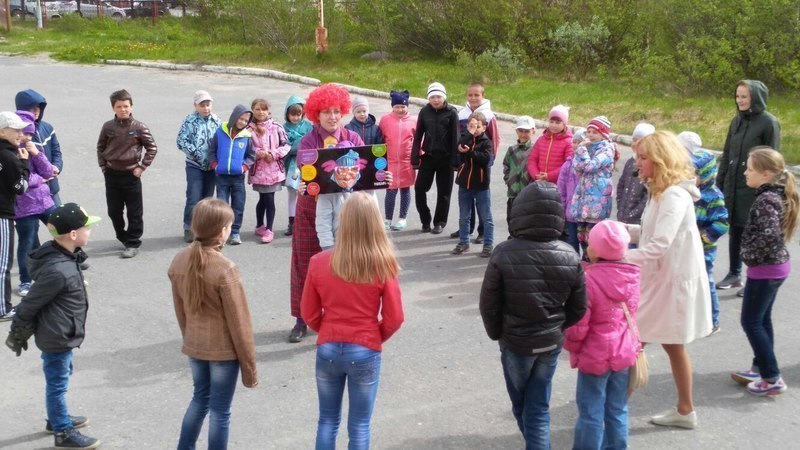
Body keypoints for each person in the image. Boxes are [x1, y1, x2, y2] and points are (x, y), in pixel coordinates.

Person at [479, 181, 587, 450]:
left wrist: (497, 333)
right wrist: (558, 327)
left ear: (520, 212)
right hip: (550, 343)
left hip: (515, 343)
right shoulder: (570, 255)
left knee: (522, 404)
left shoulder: (503, 252)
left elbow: (489, 303)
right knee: (538, 406)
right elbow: (578, 308)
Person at [301, 192, 404, 450]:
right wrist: (374, 335)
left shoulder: (319, 262)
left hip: (328, 346)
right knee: (359, 425)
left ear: (343, 221)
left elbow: (308, 312)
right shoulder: (382, 263)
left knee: (327, 420)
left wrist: (327, 329)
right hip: (365, 346)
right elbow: (394, 318)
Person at [625, 131, 712, 430]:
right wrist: (620, 231)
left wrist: (617, 257)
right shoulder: (661, 191)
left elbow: (659, 245)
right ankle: (685, 411)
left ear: (661, 160)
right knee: (670, 345)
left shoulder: (674, 195)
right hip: (663, 280)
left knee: (632, 342)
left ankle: (612, 410)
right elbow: (650, 233)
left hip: (669, 284)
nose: (638, 163)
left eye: (643, 157)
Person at [6, 202, 101, 449]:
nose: (90, 231)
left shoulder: (63, 256)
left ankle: (57, 416)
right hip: (57, 335)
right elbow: (31, 302)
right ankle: (62, 431)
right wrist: (17, 330)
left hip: (63, 330)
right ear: (73, 235)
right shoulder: (58, 269)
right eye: (87, 227)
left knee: (63, 375)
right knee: (58, 384)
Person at [168, 198, 258, 449]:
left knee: (199, 400)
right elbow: (240, 324)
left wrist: (189, 338)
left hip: (195, 345)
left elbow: (181, 311)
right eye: (229, 226)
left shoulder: (179, 260)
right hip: (222, 352)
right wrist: (250, 370)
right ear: (222, 231)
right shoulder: (226, 269)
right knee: (220, 411)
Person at [288, 83, 362, 343]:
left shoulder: (353, 138)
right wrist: (303, 183)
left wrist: (381, 178)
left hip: (346, 211)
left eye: (336, 111)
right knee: (306, 265)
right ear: (315, 114)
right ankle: (302, 319)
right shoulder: (308, 141)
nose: (332, 117)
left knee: (344, 267)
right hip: (311, 209)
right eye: (326, 112)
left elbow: (363, 173)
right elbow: (306, 173)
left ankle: (337, 319)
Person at [564, 220, 641, 450]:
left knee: (591, 412)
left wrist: (571, 346)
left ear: (596, 251)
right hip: (623, 352)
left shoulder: (588, 280)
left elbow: (578, 326)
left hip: (594, 355)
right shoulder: (633, 276)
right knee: (617, 409)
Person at [730, 147, 798, 396]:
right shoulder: (772, 195)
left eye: (750, 169)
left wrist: (747, 255)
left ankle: (772, 378)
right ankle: (760, 368)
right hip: (774, 268)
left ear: (766, 174)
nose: (745, 172)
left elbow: (769, 236)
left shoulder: (766, 199)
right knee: (761, 319)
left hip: (766, 270)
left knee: (751, 321)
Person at [716, 80, 780, 294]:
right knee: (735, 229)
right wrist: (719, 183)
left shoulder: (769, 123)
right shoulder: (736, 121)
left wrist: (768, 188)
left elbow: (773, 159)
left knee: (754, 233)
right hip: (734, 185)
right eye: (737, 96)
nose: (740, 100)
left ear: (755, 97)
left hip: (755, 187)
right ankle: (734, 274)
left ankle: (755, 277)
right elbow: (727, 154)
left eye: (744, 96)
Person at [96, 89, 159, 259]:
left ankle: (133, 243)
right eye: (119, 106)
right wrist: (103, 167)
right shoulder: (108, 127)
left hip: (132, 175)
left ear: (131, 107)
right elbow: (100, 147)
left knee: (134, 212)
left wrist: (142, 167)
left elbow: (152, 148)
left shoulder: (139, 127)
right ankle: (122, 236)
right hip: (111, 174)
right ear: (113, 108)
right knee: (114, 211)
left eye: (126, 106)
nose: (123, 109)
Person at [678, 131, 729, 334]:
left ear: (705, 174)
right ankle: (690, 318)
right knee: (687, 283)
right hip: (686, 248)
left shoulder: (713, 197)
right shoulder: (687, 193)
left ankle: (713, 321)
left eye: (693, 174)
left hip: (704, 249)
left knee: (706, 282)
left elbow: (722, 223)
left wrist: (702, 238)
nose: (688, 177)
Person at [14, 110, 56, 298]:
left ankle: (72, 264)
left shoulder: (32, 148)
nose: (27, 138)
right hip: (24, 207)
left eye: (30, 134)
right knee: (27, 244)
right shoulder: (10, 152)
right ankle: (25, 281)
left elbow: (48, 172)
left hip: (45, 202)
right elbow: (20, 179)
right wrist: (39, 180)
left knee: (63, 231)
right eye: (24, 133)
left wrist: (36, 153)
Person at [452, 82, 500, 242]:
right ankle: (467, 229)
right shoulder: (462, 114)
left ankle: (482, 231)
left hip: (481, 162)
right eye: (470, 95)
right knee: (466, 200)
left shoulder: (489, 116)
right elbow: (459, 137)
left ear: (483, 96)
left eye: (476, 95)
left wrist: (490, 160)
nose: (473, 98)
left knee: (481, 200)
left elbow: (495, 139)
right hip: (465, 161)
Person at [411, 82, 458, 234]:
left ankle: (439, 222)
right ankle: (425, 220)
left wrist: (455, 161)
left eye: (438, 96)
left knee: (444, 193)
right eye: (432, 97)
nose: (435, 100)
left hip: (446, 158)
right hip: (428, 157)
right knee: (419, 189)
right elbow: (418, 136)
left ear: (444, 97)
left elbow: (456, 138)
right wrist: (415, 158)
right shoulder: (424, 112)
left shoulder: (452, 113)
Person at [176, 90, 221, 243]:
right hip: (194, 165)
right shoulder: (189, 121)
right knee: (193, 197)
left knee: (207, 199)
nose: (206, 108)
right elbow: (181, 141)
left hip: (212, 166)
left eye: (208, 104)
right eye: (202, 105)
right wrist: (196, 153)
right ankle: (189, 227)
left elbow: (222, 140)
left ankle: (204, 229)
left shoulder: (217, 121)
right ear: (195, 106)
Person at [208, 105, 255, 246]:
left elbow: (251, 155)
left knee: (238, 205)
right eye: (241, 118)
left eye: (246, 120)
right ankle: (221, 233)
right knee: (222, 207)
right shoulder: (220, 132)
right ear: (234, 117)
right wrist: (215, 165)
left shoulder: (247, 136)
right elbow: (212, 150)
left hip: (238, 178)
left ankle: (234, 232)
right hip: (221, 177)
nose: (242, 122)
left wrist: (244, 167)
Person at [0, 112, 31, 322]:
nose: (21, 134)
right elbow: (20, 188)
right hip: (3, 213)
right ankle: (3, 308)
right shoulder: (9, 157)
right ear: (2, 132)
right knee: (3, 264)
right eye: (16, 130)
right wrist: (25, 165)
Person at [570, 116, 615, 258]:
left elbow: (590, 166)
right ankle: (585, 263)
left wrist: (582, 149)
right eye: (588, 132)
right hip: (583, 200)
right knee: (582, 237)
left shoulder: (607, 150)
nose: (590, 135)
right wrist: (581, 151)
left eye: (594, 132)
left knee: (593, 239)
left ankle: (594, 265)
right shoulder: (587, 148)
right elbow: (576, 169)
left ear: (604, 134)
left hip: (597, 201)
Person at [452, 112, 494, 257]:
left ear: (484, 128)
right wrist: (469, 133)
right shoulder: (466, 138)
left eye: (477, 126)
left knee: (486, 217)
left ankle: (488, 244)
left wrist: (470, 152)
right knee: (464, 216)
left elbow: (485, 159)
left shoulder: (487, 142)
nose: (475, 129)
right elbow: (459, 146)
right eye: (472, 126)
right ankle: (464, 242)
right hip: (465, 185)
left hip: (481, 186)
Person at [249, 98, 289, 244]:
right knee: (263, 198)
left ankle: (269, 229)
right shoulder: (249, 128)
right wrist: (257, 153)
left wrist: (274, 154)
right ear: (252, 110)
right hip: (259, 171)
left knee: (269, 198)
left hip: (273, 170)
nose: (261, 112)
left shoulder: (276, 127)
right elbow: (245, 147)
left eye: (264, 109)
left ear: (269, 111)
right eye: (257, 109)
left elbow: (286, 144)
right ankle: (260, 225)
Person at [15, 89, 63, 206]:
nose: (37, 111)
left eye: (39, 107)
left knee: (59, 216)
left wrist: (57, 166)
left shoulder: (48, 127)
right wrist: (39, 179)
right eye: (32, 108)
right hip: (30, 195)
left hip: (52, 187)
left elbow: (56, 151)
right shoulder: (16, 134)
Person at [378, 90, 416, 231]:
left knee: (405, 190)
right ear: (392, 107)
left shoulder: (414, 120)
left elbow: (418, 140)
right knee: (391, 191)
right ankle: (387, 219)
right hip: (390, 162)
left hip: (407, 162)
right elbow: (380, 139)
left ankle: (402, 218)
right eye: (397, 107)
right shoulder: (385, 120)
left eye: (403, 106)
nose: (400, 109)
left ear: (407, 106)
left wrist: (419, 157)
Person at [282, 95, 313, 236]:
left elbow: (311, 144)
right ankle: (292, 222)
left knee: (306, 192)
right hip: (291, 165)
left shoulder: (308, 127)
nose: (295, 118)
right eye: (292, 114)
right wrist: (295, 145)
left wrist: (297, 144)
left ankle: (305, 221)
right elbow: (283, 146)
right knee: (292, 193)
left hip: (307, 163)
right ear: (287, 114)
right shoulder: (283, 128)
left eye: (298, 114)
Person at [616, 123, 654, 239]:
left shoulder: (650, 168)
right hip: (623, 215)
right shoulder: (630, 162)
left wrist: (635, 212)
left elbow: (647, 195)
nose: (635, 143)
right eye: (634, 140)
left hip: (638, 219)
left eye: (640, 140)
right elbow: (621, 184)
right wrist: (620, 205)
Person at [502, 115, 534, 233]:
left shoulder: (535, 149)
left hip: (528, 194)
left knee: (525, 221)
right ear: (516, 131)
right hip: (513, 193)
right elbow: (506, 165)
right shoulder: (511, 149)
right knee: (511, 219)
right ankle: (513, 238)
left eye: (527, 131)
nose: (523, 134)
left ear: (533, 131)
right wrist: (508, 180)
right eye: (521, 131)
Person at [527, 105, 573, 185]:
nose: (554, 125)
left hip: (559, 185)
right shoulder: (541, 140)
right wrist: (536, 175)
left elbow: (568, 165)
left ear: (564, 124)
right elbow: (532, 160)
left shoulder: (569, 142)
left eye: (558, 123)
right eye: (551, 122)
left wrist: (549, 176)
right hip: (539, 183)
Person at [557, 129, 585, 254]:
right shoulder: (567, 165)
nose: (576, 145)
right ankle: (574, 264)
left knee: (586, 243)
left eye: (579, 142)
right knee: (572, 242)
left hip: (585, 214)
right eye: (574, 142)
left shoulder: (589, 166)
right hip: (570, 213)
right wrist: (562, 209)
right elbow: (561, 189)